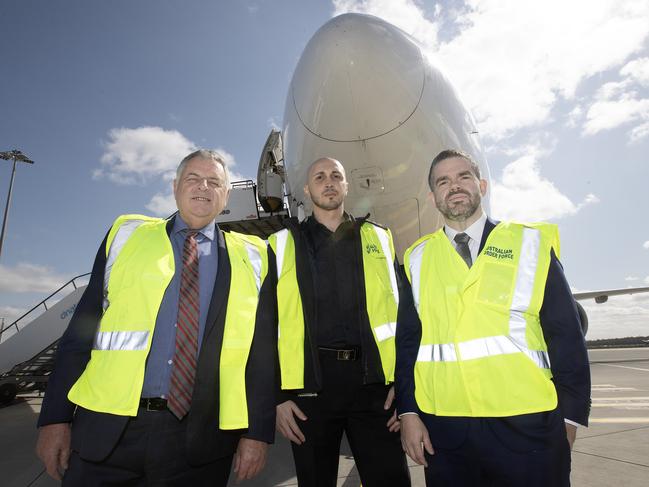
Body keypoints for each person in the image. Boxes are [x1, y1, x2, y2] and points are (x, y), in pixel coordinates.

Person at [35, 149, 276, 486]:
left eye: (214, 182)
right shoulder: (127, 236)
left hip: (201, 440)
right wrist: (55, 418)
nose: (203, 187)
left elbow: (262, 356)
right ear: (175, 186)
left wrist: (257, 433)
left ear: (226, 195)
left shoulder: (255, 257)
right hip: (109, 432)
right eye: (193, 178)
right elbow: (80, 333)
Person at [396, 149, 591, 487]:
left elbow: (565, 335)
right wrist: (409, 412)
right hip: (447, 431)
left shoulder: (530, 243)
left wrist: (572, 415)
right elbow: (409, 344)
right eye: (443, 181)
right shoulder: (416, 258)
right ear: (432, 197)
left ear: (482, 185)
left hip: (528, 426)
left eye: (463, 177)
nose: (454, 186)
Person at [270, 157, 411, 487]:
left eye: (336, 176)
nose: (328, 181)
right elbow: (266, 326)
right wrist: (277, 395)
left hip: (374, 388)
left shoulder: (378, 237)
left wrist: (405, 387)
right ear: (307, 189)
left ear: (347, 185)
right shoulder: (282, 243)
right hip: (310, 391)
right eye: (319, 177)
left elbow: (404, 317)